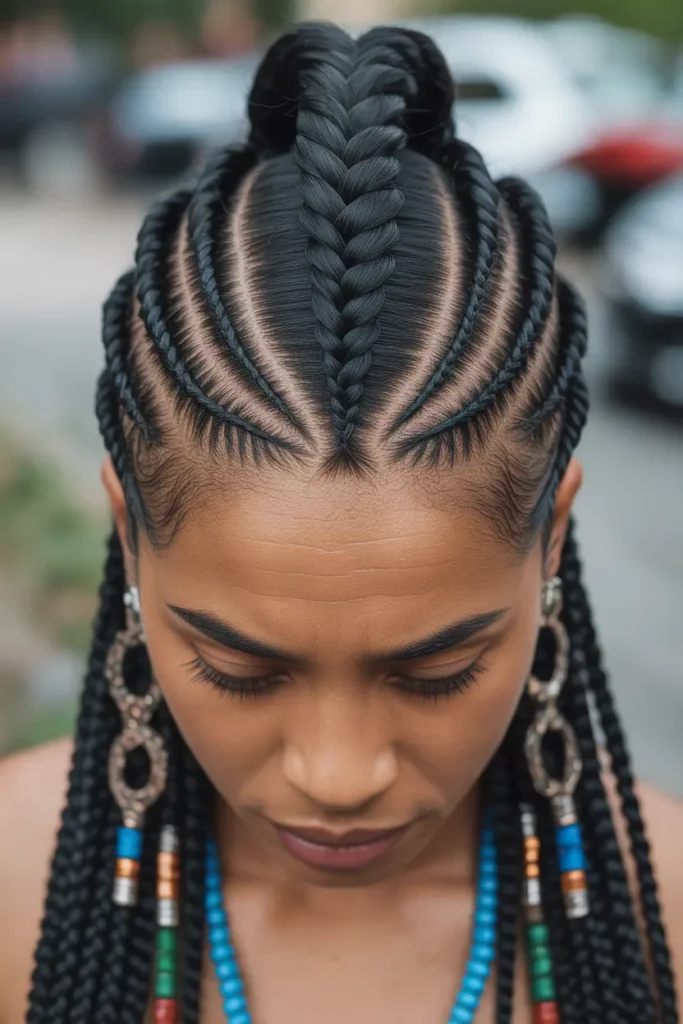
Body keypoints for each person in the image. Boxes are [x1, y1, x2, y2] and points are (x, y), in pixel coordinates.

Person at [0, 21, 681, 1024]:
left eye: (434, 671)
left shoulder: (663, 915)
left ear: (548, 539)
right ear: (129, 534)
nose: (338, 773)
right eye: (237, 668)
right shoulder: (12, 888)